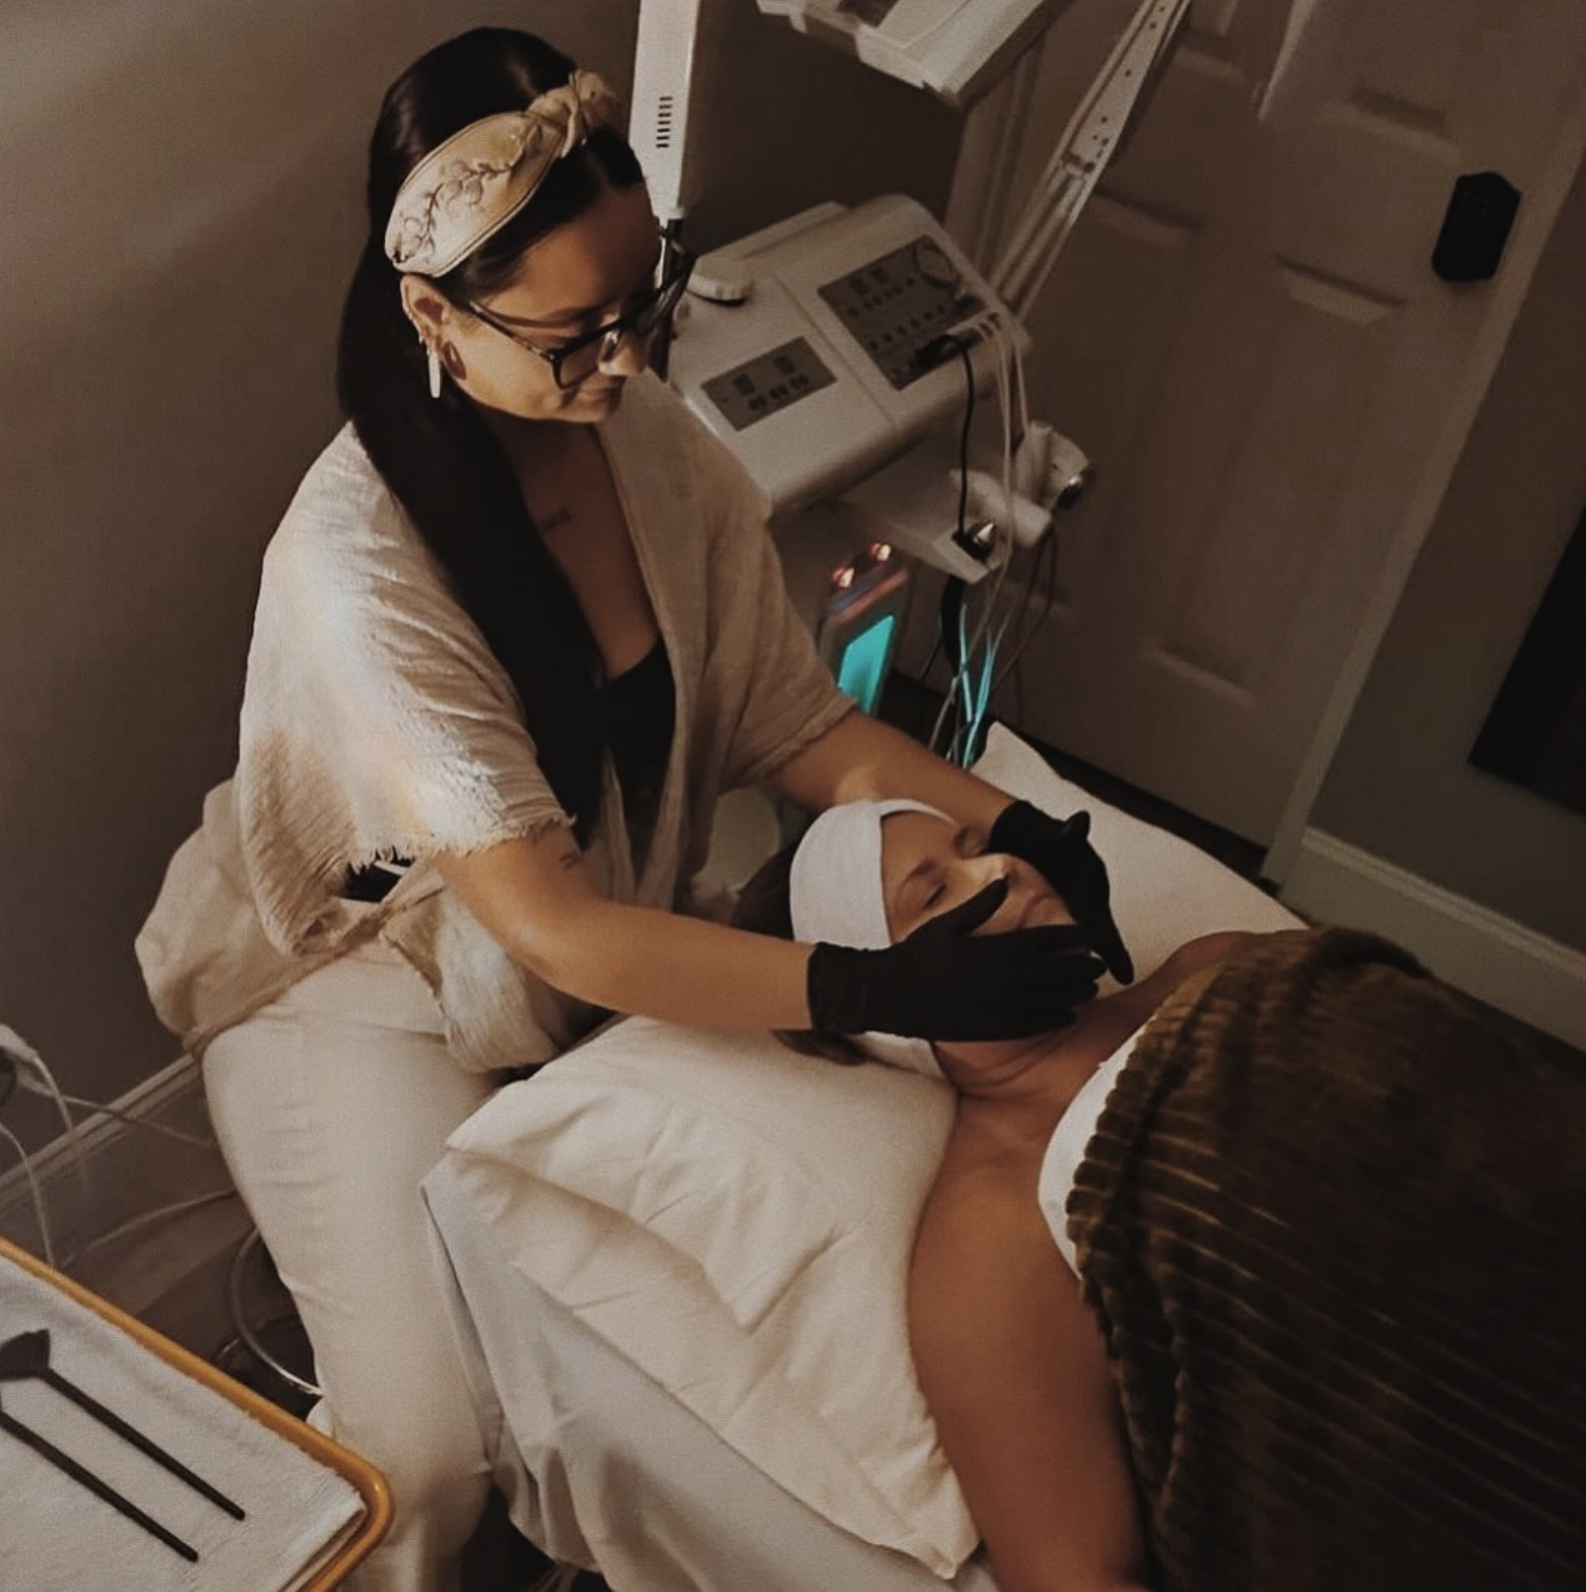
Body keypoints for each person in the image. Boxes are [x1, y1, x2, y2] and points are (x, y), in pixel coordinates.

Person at [133, 27, 1132, 1592]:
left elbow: (800, 727)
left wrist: (1014, 826)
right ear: (433, 317)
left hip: (581, 952)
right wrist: (873, 986)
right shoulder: (354, 573)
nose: (625, 364)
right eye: (572, 335)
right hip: (369, 990)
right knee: (426, 1455)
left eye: (639, 304)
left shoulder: (646, 444)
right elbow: (553, 926)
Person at [769, 799, 1586, 1592]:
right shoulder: (989, 1237)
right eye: (934, 893)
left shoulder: (1217, 961)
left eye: (976, 846)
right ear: (894, 1002)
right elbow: (1071, 1577)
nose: (1001, 868)